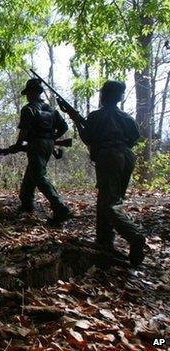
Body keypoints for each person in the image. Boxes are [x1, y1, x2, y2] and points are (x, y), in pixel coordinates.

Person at [57, 80, 145, 266]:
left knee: (110, 204)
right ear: (119, 97)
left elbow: (88, 137)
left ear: (104, 95)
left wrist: (76, 119)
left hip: (109, 157)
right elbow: (133, 139)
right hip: (127, 156)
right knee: (108, 198)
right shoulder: (126, 117)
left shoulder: (97, 116)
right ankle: (104, 241)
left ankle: (133, 234)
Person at [2, 78, 71, 225]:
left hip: (36, 145)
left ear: (33, 93)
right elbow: (64, 127)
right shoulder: (51, 110)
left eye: (28, 93)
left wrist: (17, 145)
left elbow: (24, 131)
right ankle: (26, 203)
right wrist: (52, 139)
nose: (27, 96)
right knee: (33, 172)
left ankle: (59, 207)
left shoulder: (28, 109)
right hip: (48, 145)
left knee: (39, 175)